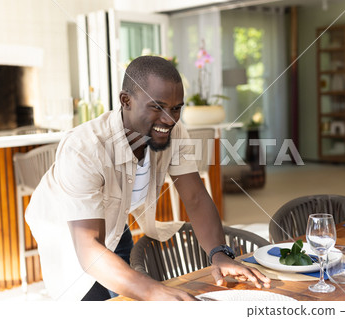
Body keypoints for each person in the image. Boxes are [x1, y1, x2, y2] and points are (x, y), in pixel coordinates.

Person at [25, 56, 270, 301]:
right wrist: (154, 290)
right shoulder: (84, 148)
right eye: (157, 106)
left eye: (176, 108)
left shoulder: (173, 133)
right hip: (68, 233)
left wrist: (220, 255)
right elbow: (88, 247)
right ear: (126, 100)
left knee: (134, 298)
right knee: (100, 301)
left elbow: (195, 197)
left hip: (115, 222)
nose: (169, 119)